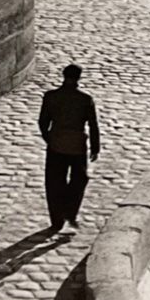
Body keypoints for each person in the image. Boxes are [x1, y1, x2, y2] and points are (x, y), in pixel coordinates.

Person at [38, 63, 100, 232]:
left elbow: (43, 122)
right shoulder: (85, 99)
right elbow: (93, 125)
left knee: (54, 182)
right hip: (77, 146)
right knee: (79, 180)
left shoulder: (51, 97)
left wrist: (49, 138)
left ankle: (56, 220)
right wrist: (95, 147)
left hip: (56, 145)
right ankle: (70, 211)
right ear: (79, 78)